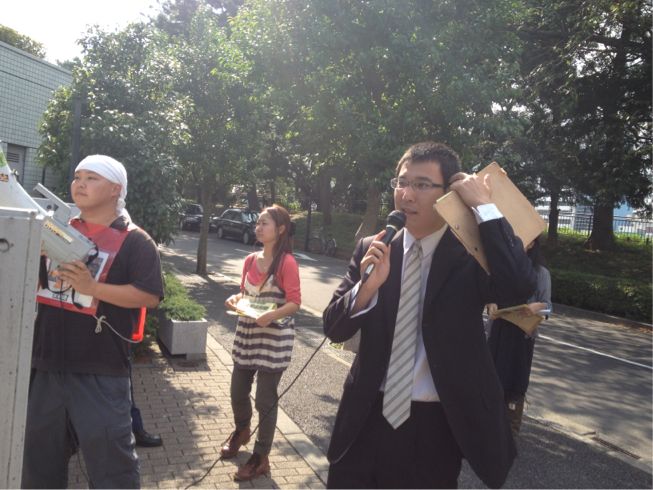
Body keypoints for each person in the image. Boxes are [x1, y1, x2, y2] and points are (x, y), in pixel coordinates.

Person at [323, 141, 537, 489]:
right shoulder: (373, 247)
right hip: (366, 414)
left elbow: (518, 286)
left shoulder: (471, 256)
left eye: (422, 185)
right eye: (401, 182)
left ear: (448, 193)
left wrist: (483, 206)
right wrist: (366, 288)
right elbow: (334, 329)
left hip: (434, 425)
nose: (406, 195)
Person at [22, 155, 163, 489]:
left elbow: (150, 296)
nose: (80, 184)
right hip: (46, 364)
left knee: (112, 466)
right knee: (39, 463)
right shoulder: (56, 230)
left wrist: (93, 288)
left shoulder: (136, 240)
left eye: (91, 178)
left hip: (101, 370)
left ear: (116, 189)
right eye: (77, 177)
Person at [222, 204, 301, 482]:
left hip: (274, 339)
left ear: (280, 229)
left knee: (265, 401)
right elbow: (245, 294)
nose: (258, 227)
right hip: (248, 334)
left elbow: (295, 302)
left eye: (264, 223)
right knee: (237, 391)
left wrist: (272, 315)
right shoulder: (249, 260)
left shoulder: (286, 263)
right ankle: (242, 430)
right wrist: (235, 299)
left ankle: (260, 457)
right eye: (257, 223)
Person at [486, 237, 552, 436]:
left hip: (523, 334)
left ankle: (511, 428)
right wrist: (490, 303)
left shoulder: (540, 272)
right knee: (492, 376)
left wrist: (536, 307)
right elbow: (488, 293)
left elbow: (548, 306)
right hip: (499, 331)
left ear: (532, 244)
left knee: (516, 380)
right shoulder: (501, 266)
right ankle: (490, 423)